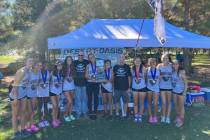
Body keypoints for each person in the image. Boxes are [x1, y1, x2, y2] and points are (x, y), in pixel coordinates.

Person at [9, 57, 33, 138]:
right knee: (15, 115)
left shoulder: (29, 71)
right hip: (15, 95)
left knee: (23, 113)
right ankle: (16, 133)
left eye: (32, 61)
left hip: (23, 95)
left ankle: (23, 130)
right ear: (25, 62)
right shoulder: (21, 71)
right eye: (29, 61)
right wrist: (15, 98)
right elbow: (15, 85)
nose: (31, 62)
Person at [113, 54, 131, 119]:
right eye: (120, 57)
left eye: (123, 57)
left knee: (125, 102)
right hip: (117, 87)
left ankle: (124, 114)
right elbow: (113, 77)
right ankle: (117, 113)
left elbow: (129, 77)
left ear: (124, 59)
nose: (121, 59)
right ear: (119, 59)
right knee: (117, 101)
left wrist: (129, 87)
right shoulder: (115, 67)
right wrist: (113, 87)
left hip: (125, 88)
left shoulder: (127, 67)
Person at [25, 62, 41, 133]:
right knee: (30, 111)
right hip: (28, 95)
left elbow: (38, 82)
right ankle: (27, 126)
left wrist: (36, 84)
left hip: (35, 94)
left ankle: (32, 125)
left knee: (33, 110)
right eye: (37, 65)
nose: (39, 66)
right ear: (34, 66)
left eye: (39, 65)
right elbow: (24, 82)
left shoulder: (38, 73)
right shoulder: (29, 73)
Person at [157, 54, 173, 124]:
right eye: (163, 58)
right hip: (162, 86)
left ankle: (168, 117)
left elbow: (177, 71)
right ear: (161, 59)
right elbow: (155, 74)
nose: (165, 60)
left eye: (166, 58)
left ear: (169, 59)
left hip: (170, 87)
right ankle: (163, 116)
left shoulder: (172, 65)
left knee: (169, 103)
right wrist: (159, 77)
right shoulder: (159, 66)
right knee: (163, 103)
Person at [73, 51, 89, 119]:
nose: (80, 56)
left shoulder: (87, 62)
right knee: (78, 99)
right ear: (77, 56)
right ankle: (78, 113)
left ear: (84, 56)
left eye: (82, 55)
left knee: (85, 99)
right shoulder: (74, 62)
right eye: (79, 55)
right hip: (77, 83)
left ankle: (85, 112)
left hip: (85, 83)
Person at [172, 60, 187, 127]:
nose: (175, 65)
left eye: (176, 64)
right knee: (176, 105)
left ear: (179, 65)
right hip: (174, 91)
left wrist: (184, 92)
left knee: (181, 106)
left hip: (181, 92)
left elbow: (186, 83)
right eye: (174, 64)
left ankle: (181, 120)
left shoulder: (181, 72)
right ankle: (178, 117)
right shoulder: (172, 72)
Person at [131, 57, 147, 123]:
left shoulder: (143, 68)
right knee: (135, 103)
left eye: (139, 61)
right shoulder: (132, 69)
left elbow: (145, 78)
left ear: (141, 62)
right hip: (134, 87)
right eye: (136, 61)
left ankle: (140, 115)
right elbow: (132, 78)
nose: (137, 62)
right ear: (134, 61)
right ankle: (136, 115)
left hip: (142, 87)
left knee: (141, 103)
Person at [85, 53, 100, 120]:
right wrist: (91, 78)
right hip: (89, 84)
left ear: (95, 57)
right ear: (89, 59)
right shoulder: (88, 66)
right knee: (90, 98)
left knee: (96, 98)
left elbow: (101, 74)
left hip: (96, 83)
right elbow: (86, 76)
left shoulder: (99, 65)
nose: (92, 59)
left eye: (92, 57)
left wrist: (97, 77)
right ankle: (90, 112)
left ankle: (95, 112)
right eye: (90, 58)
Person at [146, 58, 160, 124]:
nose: (152, 63)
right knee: (149, 103)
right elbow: (145, 78)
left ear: (156, 63)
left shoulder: (159, 70)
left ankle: (155, 116)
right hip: (149, 88)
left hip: (156, 89)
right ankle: (150, 116)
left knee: (155, 104)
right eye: (151, 62)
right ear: (149, 63)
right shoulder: (147, 70)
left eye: (154, 62)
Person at [49, 61, 63, 128]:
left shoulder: (62, 73)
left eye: (60, 65)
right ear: (56, 66)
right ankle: (53, 121)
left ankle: (56, 119)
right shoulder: (52, 73)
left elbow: (62, 82)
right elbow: (48, 81)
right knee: (54, 106)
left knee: (57, 106)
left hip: (59, 91)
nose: (59, 66)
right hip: (52, 91)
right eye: (58, 65)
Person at [62, 56, 76, 122]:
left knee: (71, 101)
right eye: (68, 60)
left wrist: (72, 77)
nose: (69, 61)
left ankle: (70, 114)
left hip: (72, 86)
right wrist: (66, 77)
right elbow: (61, 76)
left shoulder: (73, 67)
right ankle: (65, 115)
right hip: (66, 86)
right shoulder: (63, 67)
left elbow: (75, 76)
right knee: (69, 101)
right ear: (66, 61)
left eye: (70, 60)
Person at [37, 61, 50, 128]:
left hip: (46, 92)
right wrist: (41, 84)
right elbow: (36, 81)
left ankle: (45, 120)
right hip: (39, 92)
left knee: (45, 106)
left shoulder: (48, 72)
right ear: (43, 66)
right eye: (45, 65)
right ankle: (40, 121)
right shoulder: (39, 72)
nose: (46, 66)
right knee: (40, 107)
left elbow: (49, 81)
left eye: (47, 65)